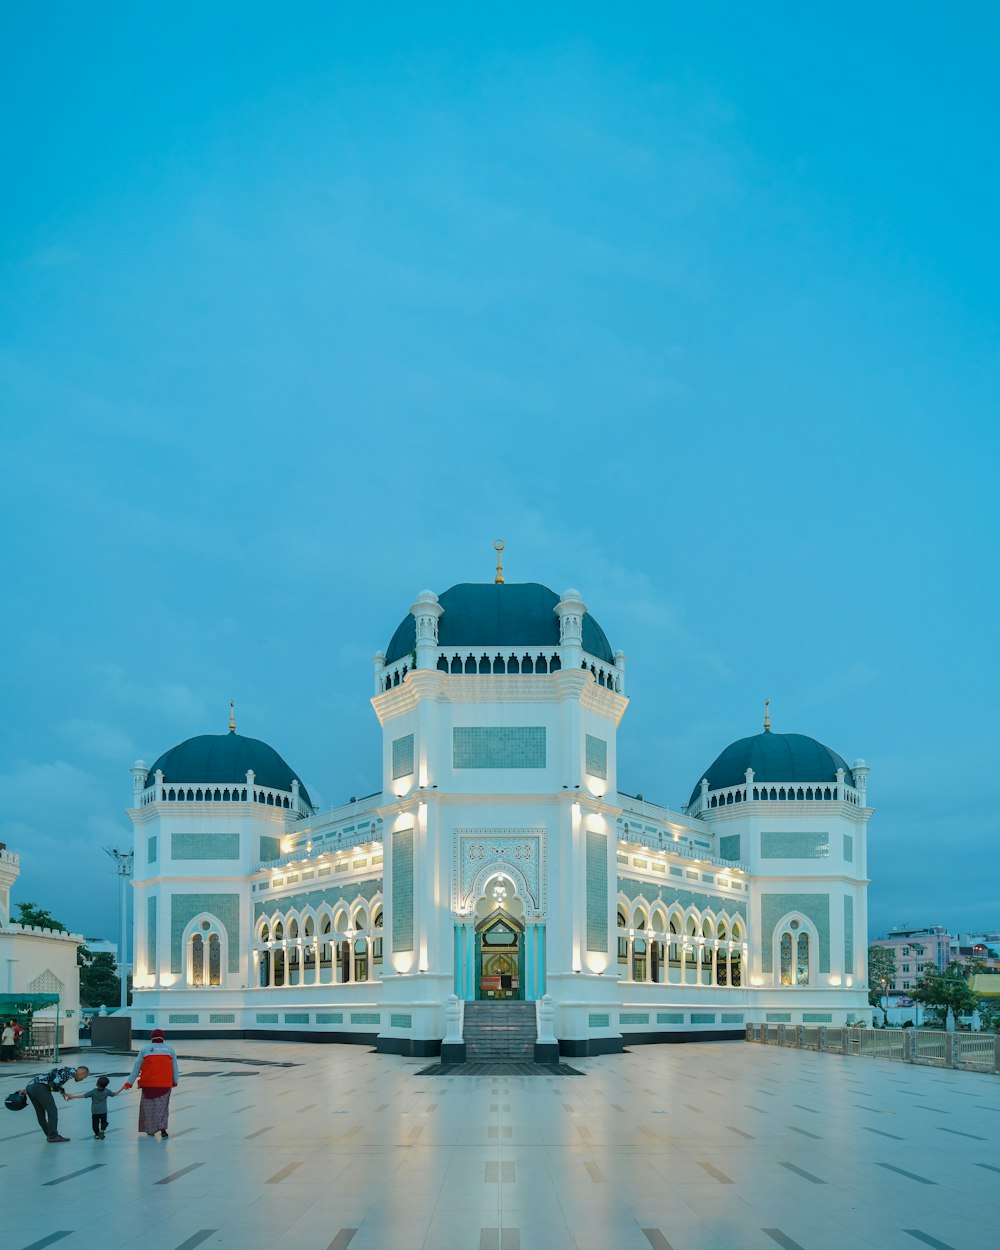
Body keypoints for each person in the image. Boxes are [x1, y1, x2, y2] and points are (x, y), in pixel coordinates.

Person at [123, 1029, 178, 1138]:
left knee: (149, 1108)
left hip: (148, 1084)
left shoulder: (145, 1049)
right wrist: (175, 1081)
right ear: (163, 1037)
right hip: (165, 1084)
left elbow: (136, 1068)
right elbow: (175, 1067)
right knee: (162, 1108)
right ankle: (163, 1129)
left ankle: (150, 1129)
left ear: (151, 1037)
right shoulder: (170, 1049)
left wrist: (129, 1083)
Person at [19, 1064, 90, 1142]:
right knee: (52, 1111)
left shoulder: (65, 1070)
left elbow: (49, 1078)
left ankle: (50, 1135)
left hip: (30, 1087)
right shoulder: (69, 1073)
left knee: (40, 1113)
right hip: (40, 1088)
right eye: (84, 1077)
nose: (83, 1079)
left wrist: (63, 1093)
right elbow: (54, 1083)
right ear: (83, 1073)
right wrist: (64, 1093)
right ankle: (53, 1136)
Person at [65, 1074, 119, 1139]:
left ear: (97, 1083)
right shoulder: (107, 1091)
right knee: (104, 1122)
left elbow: (83, 1096)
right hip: (103, 1110)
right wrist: (122, 1088)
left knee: (95, 1124)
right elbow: (114, 1094)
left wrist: (73, 1097)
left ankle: (97, 1134)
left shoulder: (93, 1092)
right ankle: (102, 1130)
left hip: (95, 1111)